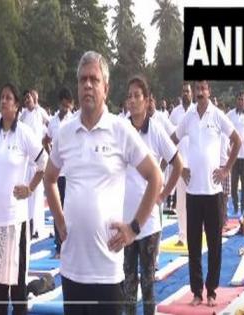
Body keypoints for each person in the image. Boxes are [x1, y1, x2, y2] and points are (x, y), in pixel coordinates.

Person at [43, 51, 162, 315]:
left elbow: (156, 177)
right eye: (83, 79)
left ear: (105, 88)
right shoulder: (65, 133)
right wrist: (59, 220)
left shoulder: (120, 130)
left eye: (94, 80)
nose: (87, 85)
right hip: (72, 268)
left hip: (106, 270)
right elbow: (49, 178)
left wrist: (133, 229)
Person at [0, 83, 47, 315]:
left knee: (17, 285)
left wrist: (29, 188)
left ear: (17, 105)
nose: (4, 101)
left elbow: (43, 163)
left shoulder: (24, 133)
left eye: (9, 98)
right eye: (2, 97)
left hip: (15, 220)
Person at [171, 80, 241, 307]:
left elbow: (237, 140)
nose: (200, 93)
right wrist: (180, 169)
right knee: (193, 244)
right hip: (193, 192)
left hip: (213, 192)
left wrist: (227, 169)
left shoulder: (218, 115)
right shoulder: (189, 116)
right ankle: (196, 293)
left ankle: (211, 291)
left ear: (209, 91)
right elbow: (172, 141)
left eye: (203, 89)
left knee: (215, 245)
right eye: (197, 89)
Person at [124, 76, 183, 315]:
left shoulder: (156, 131)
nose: (133, 100)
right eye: (129, 95)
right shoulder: (121, 128)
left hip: (148, 223)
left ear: (148, 101)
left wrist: (164, 194)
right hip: (125, 219)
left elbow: (177, 164)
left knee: (147, 283)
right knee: (127, 283)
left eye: (138, 95)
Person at [42, 87, 73, 258]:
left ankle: (70, 245)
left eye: (67, 106)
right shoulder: (53, 122)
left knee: (69, 209)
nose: (64, 108)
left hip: (70, 173)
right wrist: (50, 155)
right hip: (56, 174)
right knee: (57, 209)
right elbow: (45, 140)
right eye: (62, 105)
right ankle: (59, 246)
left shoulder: (73, 120)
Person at [20, 89, 50, 238]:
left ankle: (36, 227)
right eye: (25, 98)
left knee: (37, 196)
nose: (27, 100)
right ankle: (28, 225)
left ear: (34, 99)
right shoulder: (23, 115)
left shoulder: (40, 112)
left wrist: (46, 141)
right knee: (27, 194)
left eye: (29, 98)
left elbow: (50, 124)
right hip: (27, 162)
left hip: (38, 162)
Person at [169, 82, 193, 246]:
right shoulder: (175, 113)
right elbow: (170, 138)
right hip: (179, 164)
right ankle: (182, 236)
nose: (186, 94)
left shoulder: (196, 111)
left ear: (191, 94)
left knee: (195, 202)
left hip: (194, 165)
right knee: (180, 203)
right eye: (183, 91)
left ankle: (194, 233)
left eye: (188, 91)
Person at [227, 91, 244, 214]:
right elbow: (224, 132)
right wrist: (227, 146)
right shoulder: (230, 115)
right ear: (236, 101)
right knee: (234, 184)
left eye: (242, 99)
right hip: (234, 155)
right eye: (238, 99)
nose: (240, 101)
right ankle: (236, 207)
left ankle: (242, 207)